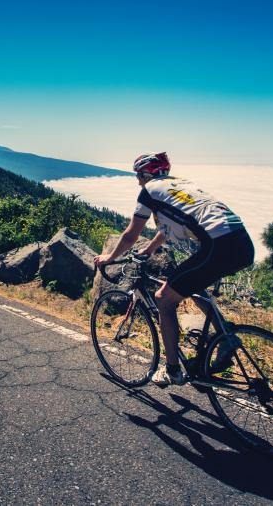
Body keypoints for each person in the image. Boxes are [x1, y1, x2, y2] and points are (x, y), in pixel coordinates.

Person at [93, 152, 254, 386]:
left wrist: (109, 258)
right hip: (241, 242)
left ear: (147, 174)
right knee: (193, 286)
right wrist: (148, 250)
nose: (138, 180)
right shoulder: (180, 185)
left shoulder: (149, 190)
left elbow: (130, 235)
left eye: (139, 175)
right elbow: (168, 227)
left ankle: (172, 370)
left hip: (216, 245)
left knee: (164, 299)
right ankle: (225, 337)